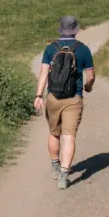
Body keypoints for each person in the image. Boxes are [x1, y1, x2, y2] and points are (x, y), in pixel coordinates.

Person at [34, 16, 95, 190]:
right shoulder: (83, 50)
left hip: (53, 97)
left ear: (60, 30)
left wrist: (39, 95)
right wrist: (88, 87)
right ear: (76, 30)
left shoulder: (50, 49)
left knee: (54, 133)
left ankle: (55, 165)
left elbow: (44, 73)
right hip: (73, 98)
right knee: (69, 137)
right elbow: (90, 76)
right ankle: (64, 175)